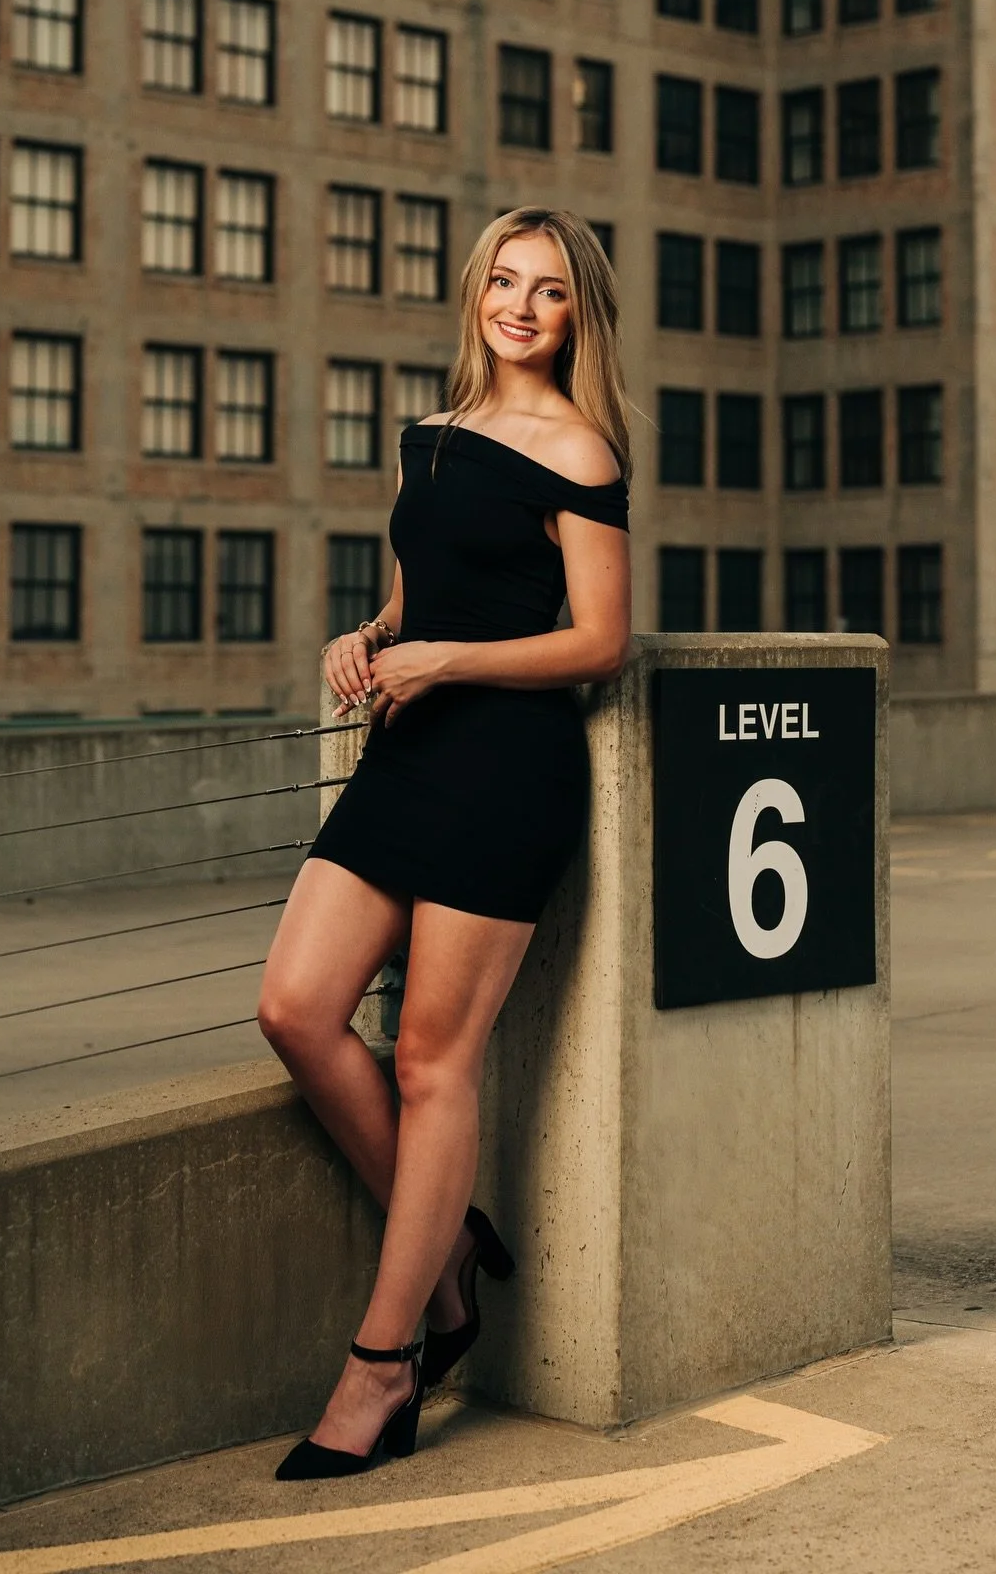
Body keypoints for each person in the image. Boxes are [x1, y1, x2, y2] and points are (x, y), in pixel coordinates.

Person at [257, 207, 634, 1481]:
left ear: (579, 315)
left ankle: (384, 1365)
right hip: (408, 760)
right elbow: (427, 594)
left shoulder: (580, 451)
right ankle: (456, 1250)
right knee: (297, 1007)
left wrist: (449, 659)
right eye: (505, 282)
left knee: (432, 1061)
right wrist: (366, 637)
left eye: (551, 291)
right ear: (476, 292)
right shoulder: (431, 440)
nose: (522, 307)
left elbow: (598, 643)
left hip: (507, 770)